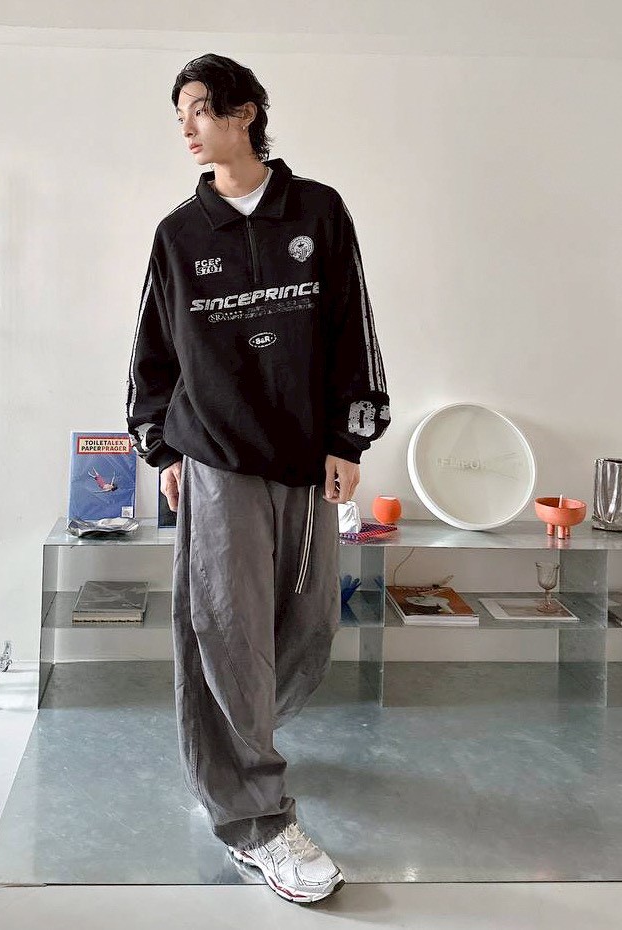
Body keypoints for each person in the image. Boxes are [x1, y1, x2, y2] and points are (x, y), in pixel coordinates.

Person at [125, 53, 391, 905]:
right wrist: (165, 451)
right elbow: (154, 352)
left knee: (306, 628)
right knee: (227, 633)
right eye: (180, 116)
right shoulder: (179, 233)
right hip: (216, 457)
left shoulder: (317, 210)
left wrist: (351, 436)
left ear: (245, 113)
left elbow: (352, 327)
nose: (188, 128)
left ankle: (235, 755)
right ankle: (256, 820)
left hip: (305, 456)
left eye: (200, 109)